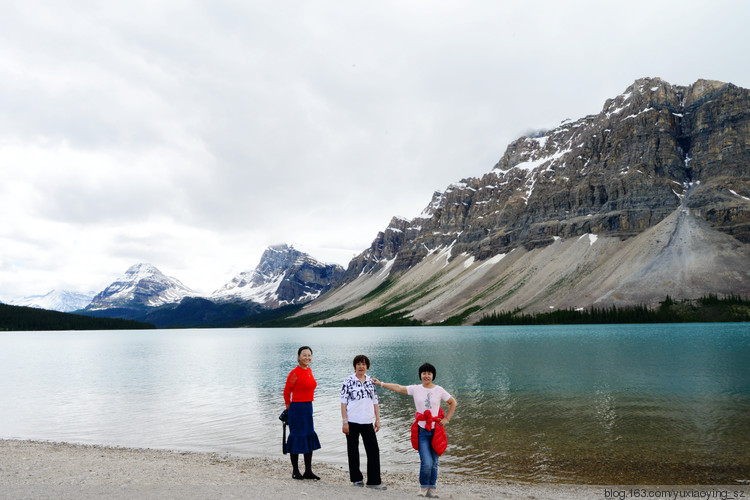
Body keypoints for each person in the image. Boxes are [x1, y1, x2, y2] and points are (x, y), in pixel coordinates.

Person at [373, 363, 456, 498]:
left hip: (436, 431)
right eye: (424, 373)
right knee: (427, 462)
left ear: (433, 375)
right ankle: (423, 487)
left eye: (429, 373)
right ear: (420, 375)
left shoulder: (439, 390)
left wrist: (446, 418)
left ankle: (432, 488)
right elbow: (398, 388)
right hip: (422, 431)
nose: (426, 376)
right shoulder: (416, 389)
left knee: (434, 463)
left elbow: (453, 403)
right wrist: (381, 383)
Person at [340, 354, 387, 490]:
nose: (361, 366)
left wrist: (377, 419)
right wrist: (345, 421)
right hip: (352, 421)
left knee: (373, 450)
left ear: (367, 367)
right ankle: (356, 479)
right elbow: (343, 403)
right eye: (359, 364)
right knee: (353, 450)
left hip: (367, 421)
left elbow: (375, 401)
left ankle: (374, 481)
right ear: (355, 366)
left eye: (364, 364)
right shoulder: (348, 380)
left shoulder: (371, 381)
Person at [283, 346, 321, 480]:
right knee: (297, 437)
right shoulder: (294, 373)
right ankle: (295, 471)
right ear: (298, 357)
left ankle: (308, 471)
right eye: (304, 355)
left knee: (308, 437)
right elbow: (287, 392)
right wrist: (289, 409)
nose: (307, 357)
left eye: (309, 355)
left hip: (308, 407)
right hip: (297, 409)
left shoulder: (309, 370)